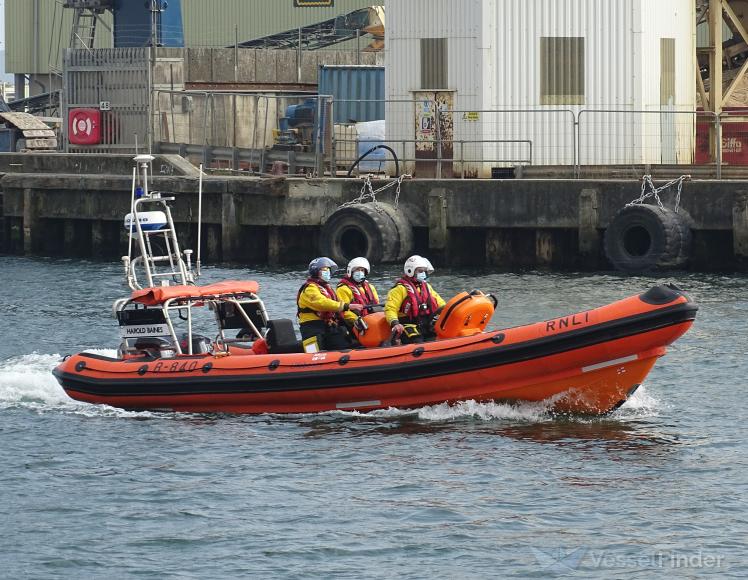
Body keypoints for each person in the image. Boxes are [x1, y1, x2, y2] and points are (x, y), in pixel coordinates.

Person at [297, 257, 363, 351]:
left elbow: (333, 302)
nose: (327, 272)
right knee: (313, 352)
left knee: (343, 344)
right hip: (312, 327)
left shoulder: (326, 288)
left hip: (328, 325)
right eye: (324, 270)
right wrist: (346, 306)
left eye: (328, 269)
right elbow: (322, 303)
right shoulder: (309, 289)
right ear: (316, 271)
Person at [385, 255, 446, 344]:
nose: (423, 274)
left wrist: (448, 309)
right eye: (420, 271)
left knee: (438, 336)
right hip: (408, 324)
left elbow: (440, 303)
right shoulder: (399, 289)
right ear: (410, 271)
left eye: (424, 271)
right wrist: (395, 323)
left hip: (426, 323)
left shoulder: (427, 287)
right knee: (417, 340)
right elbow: (390, 309)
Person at [336, 257, 380, 330]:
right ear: (351, 271)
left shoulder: (370, 287)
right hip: (355, 324)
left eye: (362, 270)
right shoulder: (343, 289)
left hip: (371, 320)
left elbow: (376, 304)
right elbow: (344, 312)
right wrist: (358, 320)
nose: (360, 272)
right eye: (357, 270)